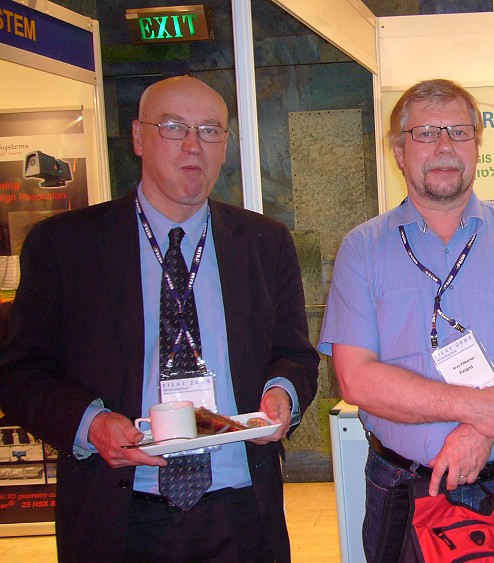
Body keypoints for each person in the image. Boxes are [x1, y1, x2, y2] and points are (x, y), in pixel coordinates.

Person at [0, 76, 319, 561]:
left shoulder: (264, 243)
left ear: (225, 145)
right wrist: (90, 423)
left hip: (241, 513)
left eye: (210, 130)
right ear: (137, 137)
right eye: (173, 127)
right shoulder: (66, 245)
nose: (194, 145)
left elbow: (294, 354)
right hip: (119, 514)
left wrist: (283, 393)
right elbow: (20, 372)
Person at [318, 78, 494, 561]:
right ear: (399, 152)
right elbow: (356, 378)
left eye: (460, 132)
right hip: (401, 486)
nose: (445, 147)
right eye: (426, 133)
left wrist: (482, 430)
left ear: (477, 146)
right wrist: (476, 407)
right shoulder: (361, 249)